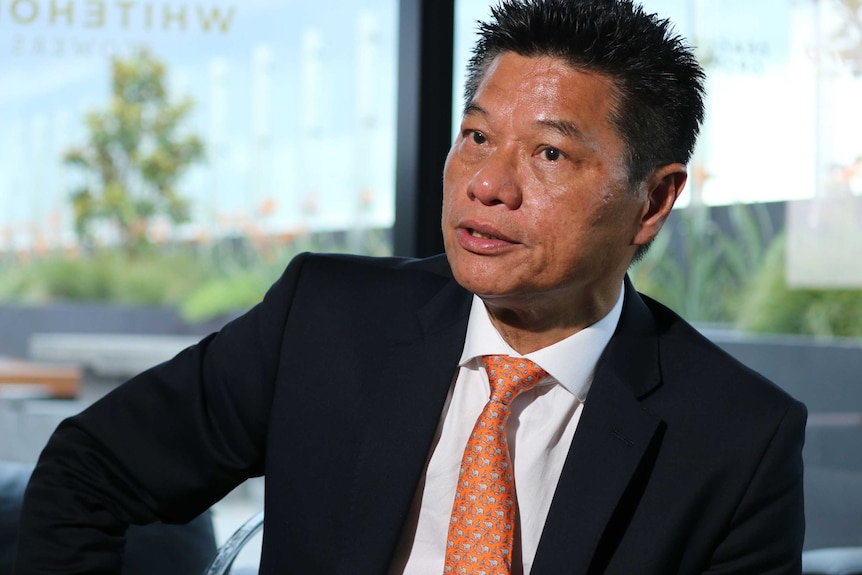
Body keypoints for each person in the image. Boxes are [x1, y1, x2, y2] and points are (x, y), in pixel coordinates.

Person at [14, 1, 806, 574]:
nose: (488, 184)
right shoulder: (323, 320)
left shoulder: (738, 439)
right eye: (477, 136)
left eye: (551, 156)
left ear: (654, 199)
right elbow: (87, 470)